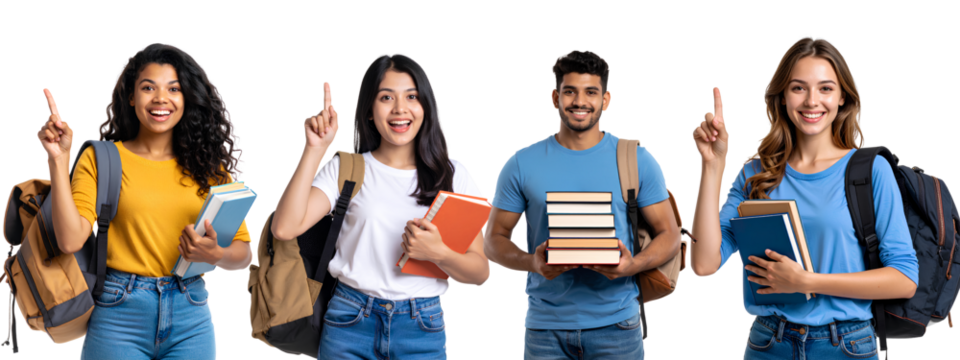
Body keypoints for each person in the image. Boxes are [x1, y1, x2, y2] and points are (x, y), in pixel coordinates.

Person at [688, 34, 919, 359]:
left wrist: (807, 281)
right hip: (768, 343)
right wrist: (712, 166)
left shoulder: (869, 171)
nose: (812, 101)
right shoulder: (755, 175)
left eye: (825, 88)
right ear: (782, 97)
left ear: (842, 98)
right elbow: (703, 264)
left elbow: (904, 278)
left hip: (847, 346)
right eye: (799, 88)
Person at [36, 42, 253, 360]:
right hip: (117, 313)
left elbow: (245, 253)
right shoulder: (102, 159)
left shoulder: (210, 168)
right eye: (148, 87)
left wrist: (216, 253)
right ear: (131, 97)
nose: (161, 98)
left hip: (191, 314)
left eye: (173, 88)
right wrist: (58, 161)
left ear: (187, 98)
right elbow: (70, 240)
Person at [270, 51, 490, 360]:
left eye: (411, 96)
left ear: (425, 106)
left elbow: (480, 273)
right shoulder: (346, 169)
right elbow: (284, 228)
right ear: (370, 110)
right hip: (349, 320)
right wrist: (314, 149)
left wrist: (439, 253)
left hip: (422, 327)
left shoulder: (454, 176)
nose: (400, 109)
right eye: (386, 97)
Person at [483, 49, 680, 360]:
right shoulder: (520, 163)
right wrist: (531, 262)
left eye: (591, 92)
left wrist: (632, 266)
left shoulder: (637, 160)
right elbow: (493, 241)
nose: (579, 101)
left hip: (618, 325)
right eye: (570, 91)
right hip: (544, 328)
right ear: (554, 98)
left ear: (606, 100)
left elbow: (670, 234)